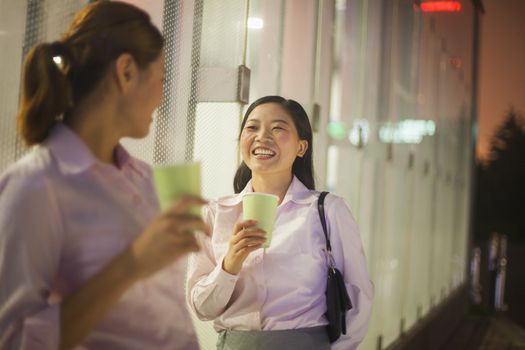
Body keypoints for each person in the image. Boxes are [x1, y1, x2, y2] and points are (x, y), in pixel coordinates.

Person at [0, 2, 208, 349]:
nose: (161, 96)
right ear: (126, 72)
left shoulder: (144, 180)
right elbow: (13, 340)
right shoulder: (36, 186)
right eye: (162, 79)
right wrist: (131, 264)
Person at [187, 95, 373, 350]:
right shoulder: (215, 213)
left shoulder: (328, 211)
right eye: (252, 128)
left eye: (278, 128)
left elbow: (358, 295)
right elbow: (202, 309)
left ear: (301, 147)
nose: (262, 137)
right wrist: (229, 265)